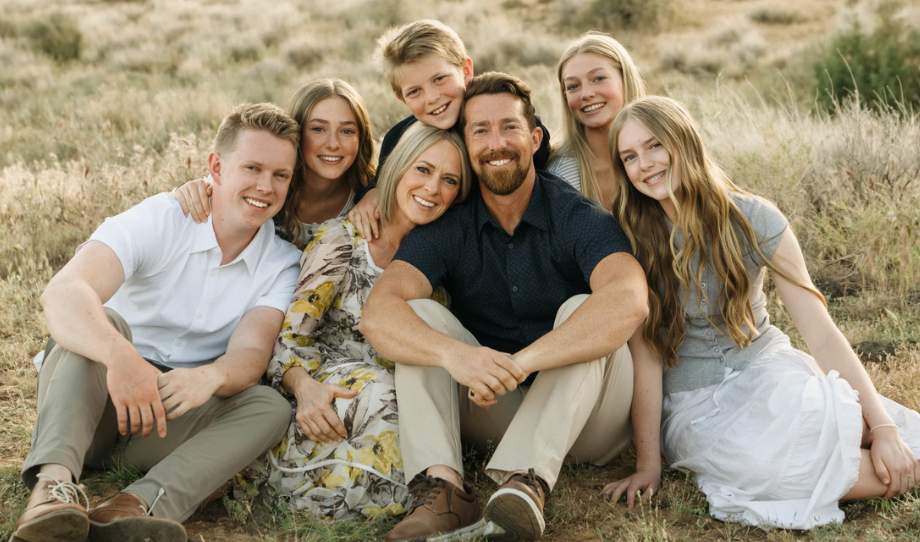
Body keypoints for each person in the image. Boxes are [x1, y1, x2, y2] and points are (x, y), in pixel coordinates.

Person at [603, 96, 920, 530]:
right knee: (764, 468)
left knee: (835, 423)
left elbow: (820, 332)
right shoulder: (629, 238)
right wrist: (649, 463)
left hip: (766, 368)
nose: (645, 164)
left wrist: (885, 428)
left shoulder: (754, 218)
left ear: (684, 142)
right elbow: (646, 352)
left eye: (654, 146)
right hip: (693, 405)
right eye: (630, 156)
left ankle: (896, 446)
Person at [360, 72, 649, 542]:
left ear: (534, 139)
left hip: (588, 422)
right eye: (480, 131)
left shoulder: (575, 215)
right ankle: (444, 495)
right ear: (467, 144)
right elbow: (378, 312)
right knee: (421, 318)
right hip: (499, 410)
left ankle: (527, 483)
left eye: (509, 127)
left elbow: (629, 300)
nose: (496, 143)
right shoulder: (451, 224)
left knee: (585, 307)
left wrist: (524, 363)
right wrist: (455, 355)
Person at [12, 103, 304, 542]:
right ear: (216, 167)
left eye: (280, 175)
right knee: (105, 320)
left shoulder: (281, 263)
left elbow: (251, 352)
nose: (266, 186)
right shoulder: (163, 218)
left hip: (164, 416)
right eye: (252, 168)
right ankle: (51, 492)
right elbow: (64, 291)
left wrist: (209, 376)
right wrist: (121, 358)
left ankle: (134, 507)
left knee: (270, 406)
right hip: (90, 400)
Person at [259, 123, 472, 519]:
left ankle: (423, 497)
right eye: (423, 170)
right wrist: (305, 390)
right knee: (384, 394)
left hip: (404, 392)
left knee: (403, 404)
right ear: (399, 169)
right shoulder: (342, 240)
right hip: (327, 390)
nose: (432, 189)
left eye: (449, 180)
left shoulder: (440, 259)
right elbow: (289, 339)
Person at [346, 19, 551, 240]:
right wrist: (371, 193)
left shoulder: (504, 124)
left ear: (466, 71)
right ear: (401, 98)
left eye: (439, 79)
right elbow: (384, 186)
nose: (432, 98)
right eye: (414, 91)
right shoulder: (399, 139)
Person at [175, 78, 375, 248]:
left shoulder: (370, 196)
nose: (333, 144)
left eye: (347, 131)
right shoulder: (268, 187)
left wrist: (377, 193)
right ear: (296, 133)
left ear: (361, 137)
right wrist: (191, 190)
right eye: (318, 129)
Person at [548, 31, 646, 206]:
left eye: (599, 78)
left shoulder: (663, 152)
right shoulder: (561, 177)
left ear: (625, 79)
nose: (586, 94)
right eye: (573, 86)